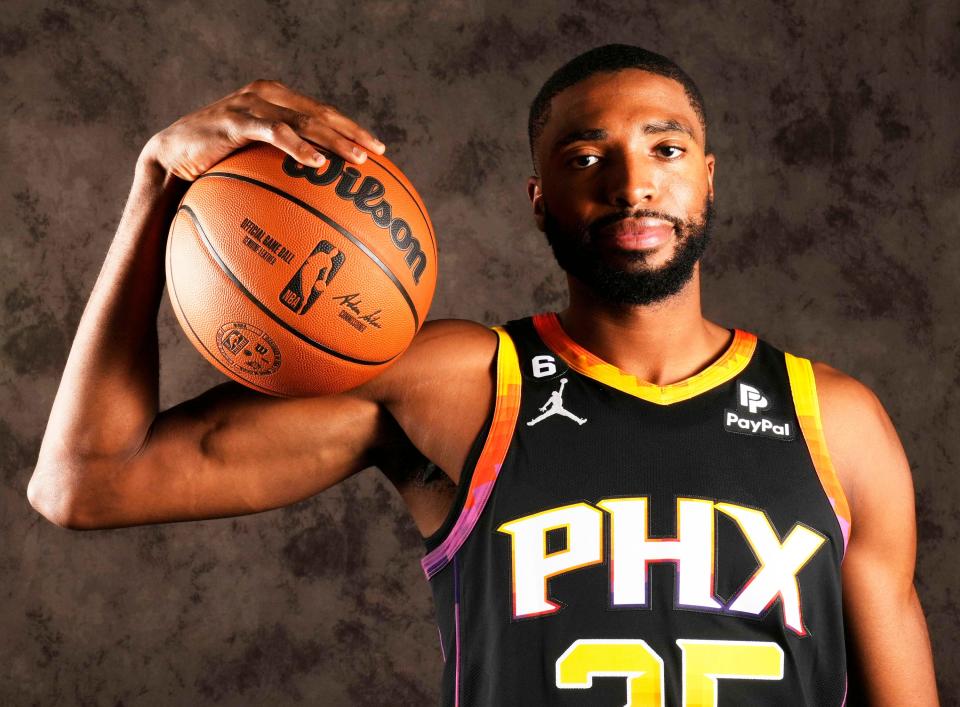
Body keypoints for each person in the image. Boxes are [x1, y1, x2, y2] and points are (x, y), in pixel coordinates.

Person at [28, 44, 938, 706]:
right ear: (538, 196)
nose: (632, 185)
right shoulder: (454, 384)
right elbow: (84, 482)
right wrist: (157, 185)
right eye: (587, 157)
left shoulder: (836, 419)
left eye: (664, 150)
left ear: (707, 179)